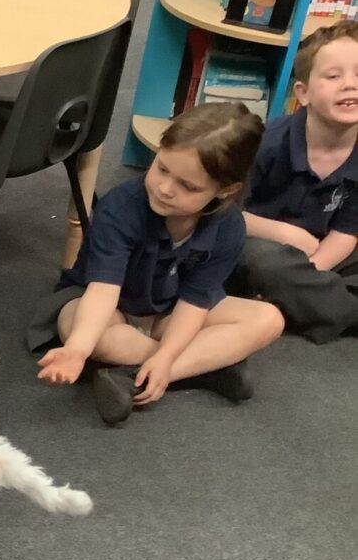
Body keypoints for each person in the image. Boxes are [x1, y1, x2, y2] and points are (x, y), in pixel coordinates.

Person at [31, 103, 285, 426]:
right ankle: (204, 367)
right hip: (110, 308)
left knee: (269, 319)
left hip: (170, 311)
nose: (165, 189)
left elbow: (195, 303)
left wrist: (166, 357)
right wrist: (78, 350)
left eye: (188, 186)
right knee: (80, 330)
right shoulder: (120, 208)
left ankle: (146, 374)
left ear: (226, 191)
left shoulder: (230, 227)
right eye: (162, 168)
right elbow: (103, 291)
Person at [231, 22, 358, 343]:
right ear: (303, 93)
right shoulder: (267, 143)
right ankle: (332, 307)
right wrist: (287, 234)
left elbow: (346, 232)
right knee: (266, 265)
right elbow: (222, 213)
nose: (350, 85)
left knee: (291, 276)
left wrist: (311, 272)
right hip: (261, 244)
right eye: (333, 76)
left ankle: (289, 299)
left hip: (323, 251)